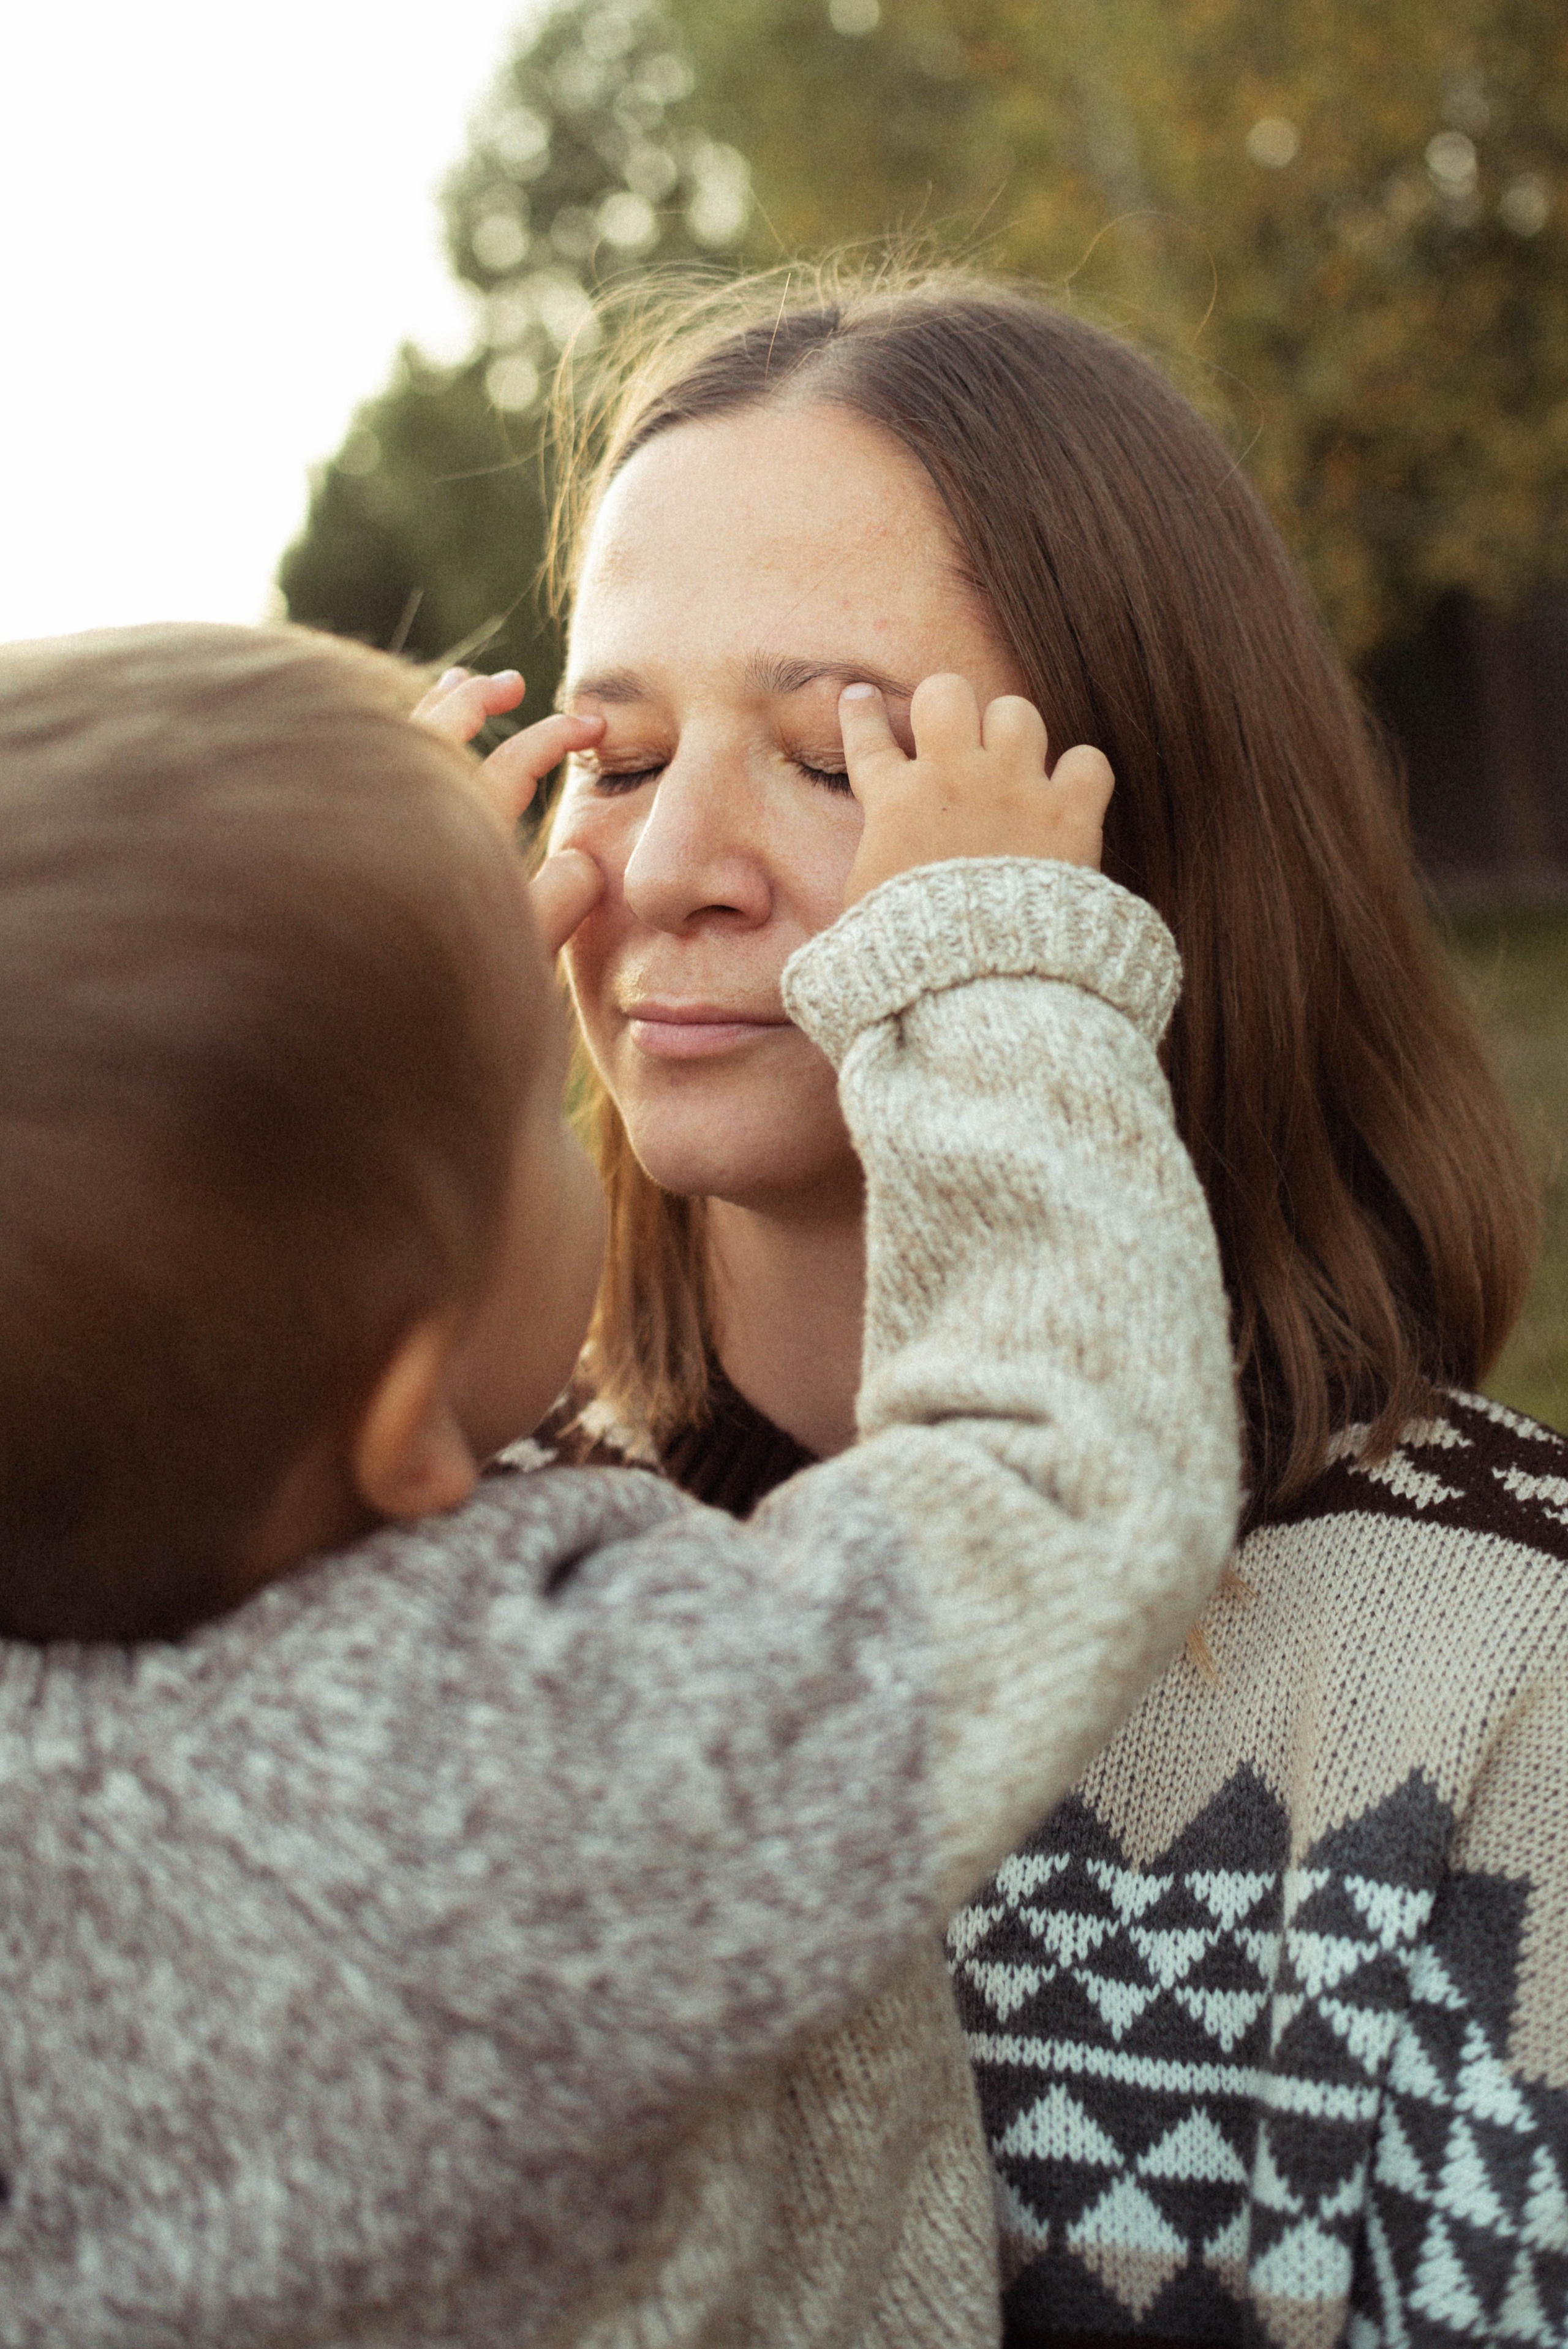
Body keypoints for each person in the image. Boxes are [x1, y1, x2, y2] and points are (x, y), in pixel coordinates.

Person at [483, 264, 1568, 2349]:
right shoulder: (395, 1590)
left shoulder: (1499, 1674)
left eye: (836, 757)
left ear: (1133, 843)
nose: (666, 862)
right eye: (608, 755)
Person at [0, 621, 1238, 2346]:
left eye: (826, 762)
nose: (641, 880)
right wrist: (986, 965)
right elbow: (1057, 1482)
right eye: (522, 1089)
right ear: (405, 1410)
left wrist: (380, 963)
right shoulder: (504, 1781)